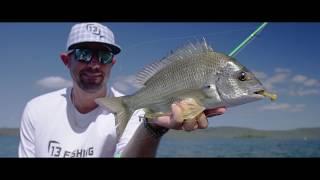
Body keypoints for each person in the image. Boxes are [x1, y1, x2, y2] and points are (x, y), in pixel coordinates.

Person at [18, 22, 226, 158]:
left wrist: (152, 127)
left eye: (104, 55)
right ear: (66, 60)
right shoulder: (36, 109)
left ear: (113, 62)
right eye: (83, 53)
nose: (94, 63)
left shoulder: (137, 112)